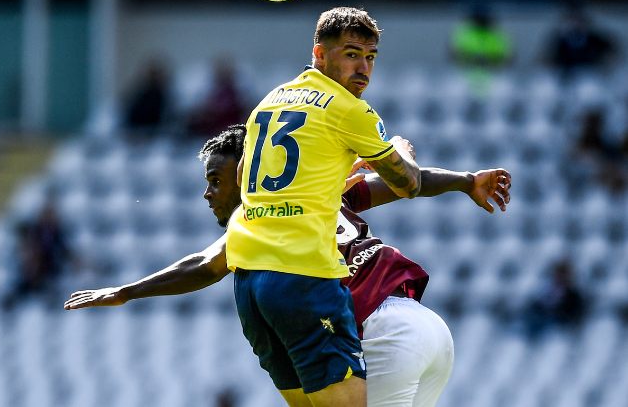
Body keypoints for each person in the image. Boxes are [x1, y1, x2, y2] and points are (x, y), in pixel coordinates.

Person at [65, 124, 512, 407]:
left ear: (247, 174)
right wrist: (466, 181)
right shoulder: (314, 192)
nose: (208, 193)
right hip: (428, 332)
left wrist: (127, 291)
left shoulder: (254, 221)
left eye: (216, 180)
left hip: (380, 338)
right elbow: (401, 185)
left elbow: (205, 264)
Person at [226, 7, 421, 406]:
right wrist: (401, 149)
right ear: (320, 53)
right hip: (304, 279)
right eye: (351, 54)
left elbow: (246, 175)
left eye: (371, 57)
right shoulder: (349, 109)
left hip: (251, 284)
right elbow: (408, 183)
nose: (363, 68)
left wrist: (332, 174)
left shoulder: (270, 101)